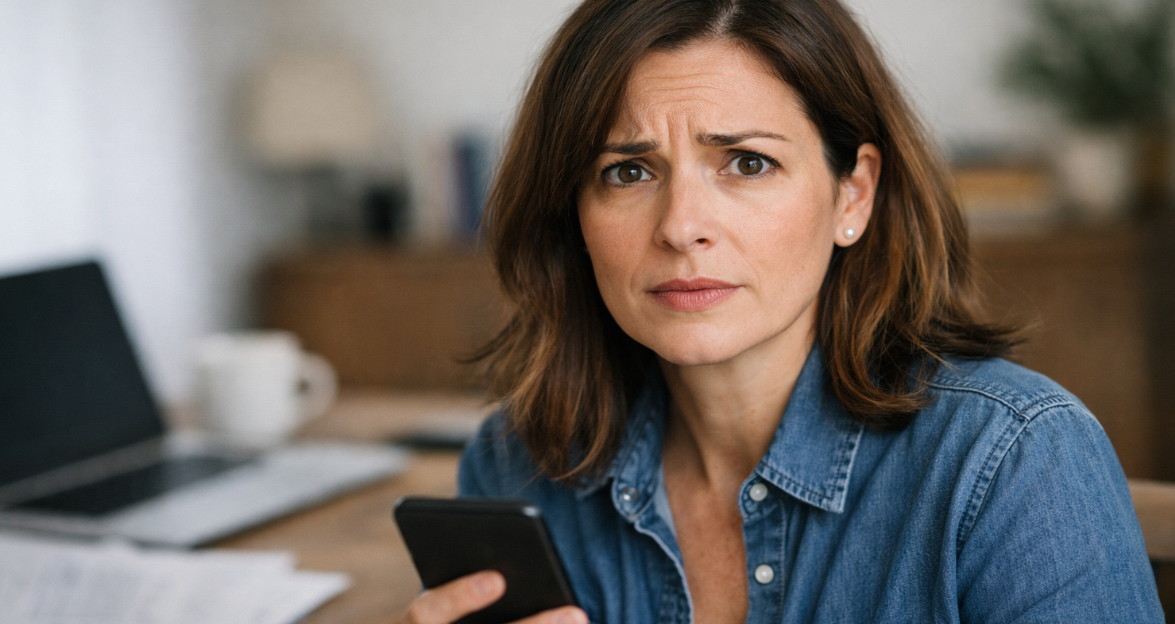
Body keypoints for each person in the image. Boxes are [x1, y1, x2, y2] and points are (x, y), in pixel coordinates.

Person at [398, 0, 1163, 622]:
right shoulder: (517, 466)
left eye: (747, 163)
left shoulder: (1014, 460)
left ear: (852, 195)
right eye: (628, 171)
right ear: (574, 210)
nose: (680, 226)